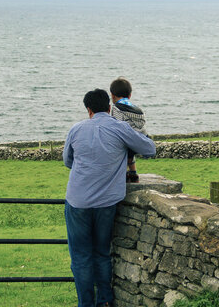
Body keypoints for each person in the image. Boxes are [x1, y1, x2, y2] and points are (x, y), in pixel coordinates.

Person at [63, 89, 156, 307]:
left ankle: (86, 304)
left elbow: (68, 161)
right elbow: (149, 149)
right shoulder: (120, 128)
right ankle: (105, 301)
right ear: (109, 107)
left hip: (78, 202)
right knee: (102, 253)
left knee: (81, 257)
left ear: (88, 110)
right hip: (106, 202)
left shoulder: (76, 129)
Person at [109, 77, 148, 183]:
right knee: (130, 152)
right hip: (141, 138)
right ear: (130, 95)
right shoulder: (138, 110)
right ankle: (133, 172)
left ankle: (124, 172)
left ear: (112, 95)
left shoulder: (116, 108)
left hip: (127, 140)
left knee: (121, 148)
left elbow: (116, 125)